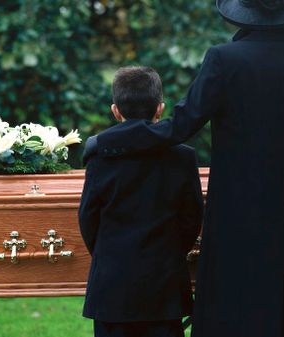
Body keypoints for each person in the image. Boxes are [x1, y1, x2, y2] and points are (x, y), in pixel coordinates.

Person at [84, 1, 284, 336]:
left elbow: (181, 125)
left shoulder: (224, 59)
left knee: (236, 305)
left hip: (236, 209)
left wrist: (110, 142)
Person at [79, 66, 203, 337]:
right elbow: (192, 217)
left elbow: (89, 218)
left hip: (112, 282)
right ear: (160, 109)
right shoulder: (182, 157)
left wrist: (108, 255)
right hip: (164, 280)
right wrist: (171, 252)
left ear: (115, 111)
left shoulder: (100, 156)